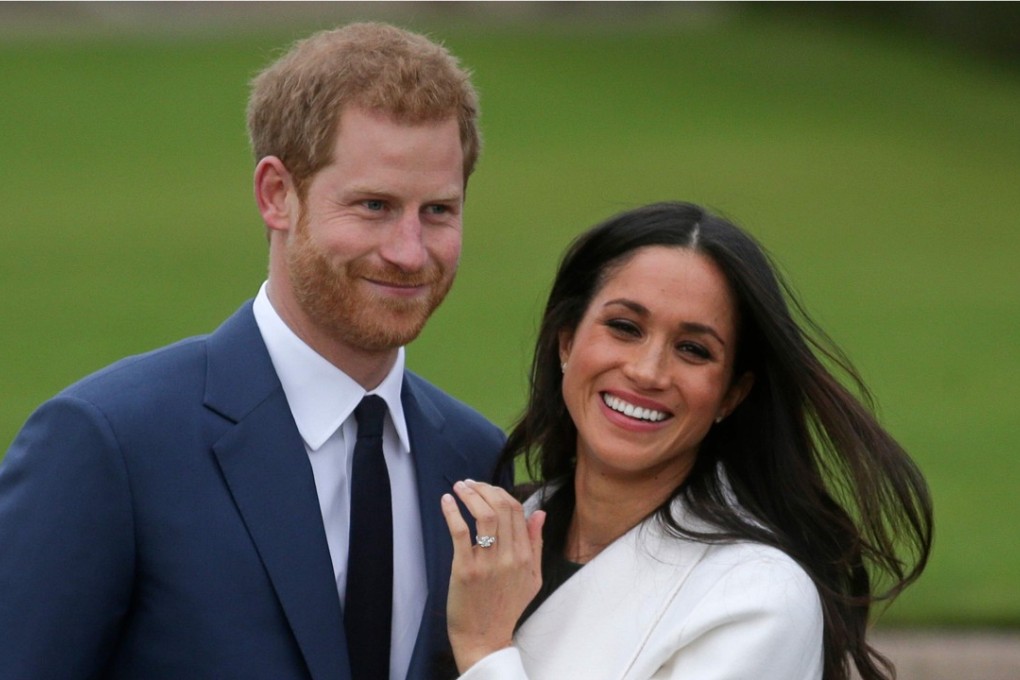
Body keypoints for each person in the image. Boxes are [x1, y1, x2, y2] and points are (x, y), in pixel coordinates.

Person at [0, 22, 506, 680]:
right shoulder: (110, 445)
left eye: (437, 211)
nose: (410, 252)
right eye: (374, 205)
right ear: (276, 195)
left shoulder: (477, 461)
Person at [440, 201, 933, 680]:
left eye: (693, 350)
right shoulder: (497, 535)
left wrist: (485, 650)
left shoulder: (758, 598)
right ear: (566, 341)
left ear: (731, 394)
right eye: (624, 327)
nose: (648, 372)